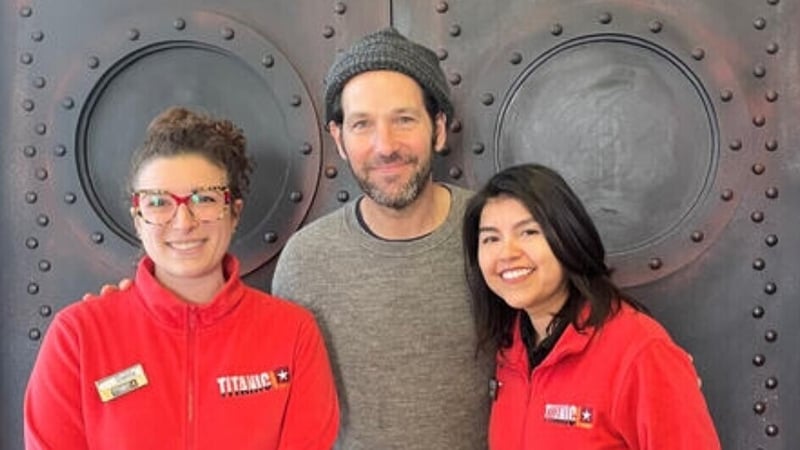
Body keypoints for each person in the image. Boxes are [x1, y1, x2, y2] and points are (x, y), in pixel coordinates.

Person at [24, 107, 339, 450]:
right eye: (159, 202)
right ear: (138, 219)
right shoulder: (78, 337)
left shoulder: (292, 334)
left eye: (204, 199)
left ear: (234, 212)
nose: (183, 221)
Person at [271, 27, 492, 448]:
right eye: (361, 125)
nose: (385, 146)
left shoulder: (494, 234)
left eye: (404, 119)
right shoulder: (306, 259)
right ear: (338, 139)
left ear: (439, 128)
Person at [462, 163, 721, 449]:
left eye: (529, 232)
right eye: (490, 238)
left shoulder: (640, 351)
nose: (507, 253)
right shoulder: (509, 351)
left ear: (568, 236)